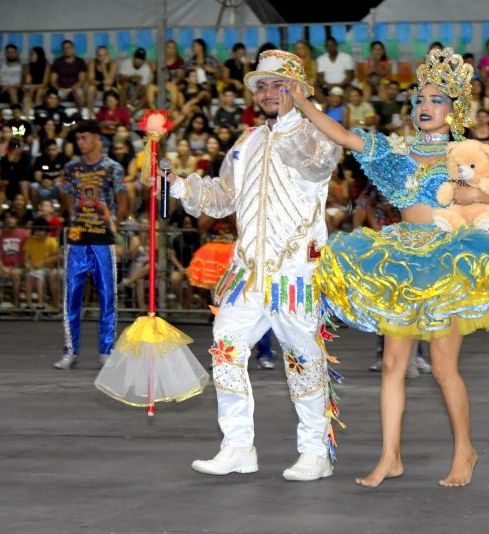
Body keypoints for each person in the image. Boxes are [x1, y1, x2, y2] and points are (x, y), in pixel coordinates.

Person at [295, 47, 489, 487]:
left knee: (444, 366)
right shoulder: (394, 151)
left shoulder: (465, 153)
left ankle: (464, 451)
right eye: (420, 99)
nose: (424, 106)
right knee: (393, 363)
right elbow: (343, 135)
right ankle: (390, 457)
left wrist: (476, 196)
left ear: (454, 110)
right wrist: (301, 102)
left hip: (448, 261)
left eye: (435, 100)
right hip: (401, 260)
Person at [164, 50, 342, 482]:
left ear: (297, 89)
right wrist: (177, 183)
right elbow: (223, 196)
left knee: (302, 358)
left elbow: (316, 165)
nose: (267, 93)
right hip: (247, 273)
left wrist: (301, 110)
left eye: (278, 84)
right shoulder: (246, 142)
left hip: (295, 273)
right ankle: (237, 446)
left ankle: (314, 451)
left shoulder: (318, 135)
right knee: (225, 347)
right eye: (261, 86)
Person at [53, 120, 126, 370]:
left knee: (107, 296)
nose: (80, 143)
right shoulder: (71, 168)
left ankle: (107, 350)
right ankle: (70, 351)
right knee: (71, 296)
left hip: (104, 240)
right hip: (77, 239)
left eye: (84, 138)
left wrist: (114, 224)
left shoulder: (112, 168)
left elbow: (124, 199)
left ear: (96, 138)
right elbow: (63, 195)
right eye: (78, 139)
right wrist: (72, 210)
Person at [23, 218, 60, 309]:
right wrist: (27, 264)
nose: (38, 232)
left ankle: (41, 303)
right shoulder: (30, 241)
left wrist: (43, 262)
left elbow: (57, 256)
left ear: (46, 231)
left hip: (47, 268)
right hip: (32, 267)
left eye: (41, 230)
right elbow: (26, 256)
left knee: (39, 277)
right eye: (36, 230)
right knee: (29, 277)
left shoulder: (52, 241)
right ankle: (28, 304)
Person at [50, 40, 86, 109]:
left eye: (69, 48)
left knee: (79, 92)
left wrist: (69, 90)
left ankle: (79, 115)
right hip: (60, 89)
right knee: (52, 94)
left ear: (73, 49)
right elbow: (53, 80)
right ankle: (56, 115)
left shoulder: (80, 62)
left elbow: (81, 80)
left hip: (73, 90)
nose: (67, 50)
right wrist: (60, 89)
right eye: (64, 48)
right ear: (62, 50)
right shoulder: (57, 62)